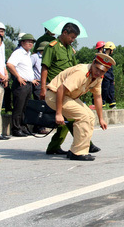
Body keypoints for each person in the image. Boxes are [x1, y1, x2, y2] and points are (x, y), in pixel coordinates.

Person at [45, 53, 115, 161]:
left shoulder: (98, 77)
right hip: (54, 95)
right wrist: (59, 113)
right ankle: (77, 152)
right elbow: (60, 90)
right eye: (97, 69)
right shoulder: (81, 72)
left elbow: (98, 97)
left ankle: (76, 149)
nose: (98, 73)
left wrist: (101, 118)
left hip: (69, 96)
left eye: (102, 71)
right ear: (93, 63)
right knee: (83, 116)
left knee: (90, 116)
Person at [42, 23, 100, 155]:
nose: (73, 40)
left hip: (70, 87)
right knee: (73, 118)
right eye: (72, 37)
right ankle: (83, 146)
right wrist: (43, 87)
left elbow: (75, 69)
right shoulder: (52, 47)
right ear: (64, 33)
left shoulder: (70, 49)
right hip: (57, 87)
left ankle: (56, 147)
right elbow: (45, 67)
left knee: (69, 120)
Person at [6, 33, 36, 137]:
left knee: (25, 107)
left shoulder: (27, 54)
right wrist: (18, 76)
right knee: (18, 107)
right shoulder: (18, 52)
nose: (30, 44)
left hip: (28, 84)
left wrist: (31, 79)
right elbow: (10, 64)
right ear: (22, 42)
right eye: (28, 41)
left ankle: (23, 127)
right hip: (20, 84)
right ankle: (16, 128)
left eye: (32, 42)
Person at [30, 41, 50, 134]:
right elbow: (28, 68)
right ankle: (38, 127)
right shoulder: (35, 57)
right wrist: (32, 79)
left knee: (45, 105)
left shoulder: (48, 57)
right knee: (40, 105)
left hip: (47, 83)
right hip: (38, 83)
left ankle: (41, 125)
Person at [101, 41, 116, 108]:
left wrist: (113, 79)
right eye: (112, 50)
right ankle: (102, 103)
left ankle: (112, 104)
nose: (112, 51)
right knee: (104, 90)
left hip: (110, 77)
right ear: (109, 49)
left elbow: (111, 70)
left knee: (111, 90)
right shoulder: (102, 56)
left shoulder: (109, 58)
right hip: (105, 77)